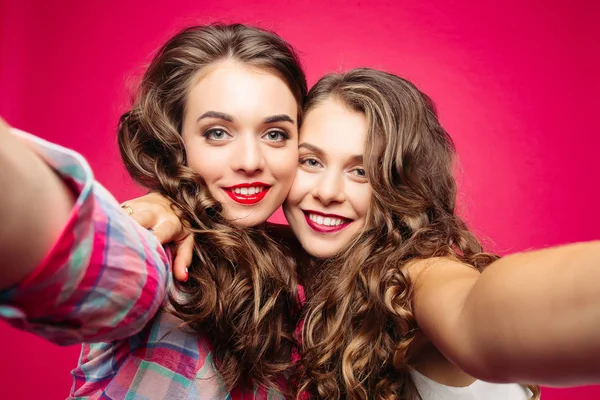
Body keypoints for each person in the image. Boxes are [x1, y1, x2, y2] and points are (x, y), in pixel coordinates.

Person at [129, 68, 600, 400]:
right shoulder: (305, 267)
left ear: (402, 187)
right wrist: (169, 204)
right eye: (311, 161)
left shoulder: (417, 275)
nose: (327, 192)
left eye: (362, 172)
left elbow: (475, 313)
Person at [0, 23, 307, 399]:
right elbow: (83, 257)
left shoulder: (301, 278)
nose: (250, 161)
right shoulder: (163, 255)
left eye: (274, 134)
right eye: (217, 132)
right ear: (177, 142)